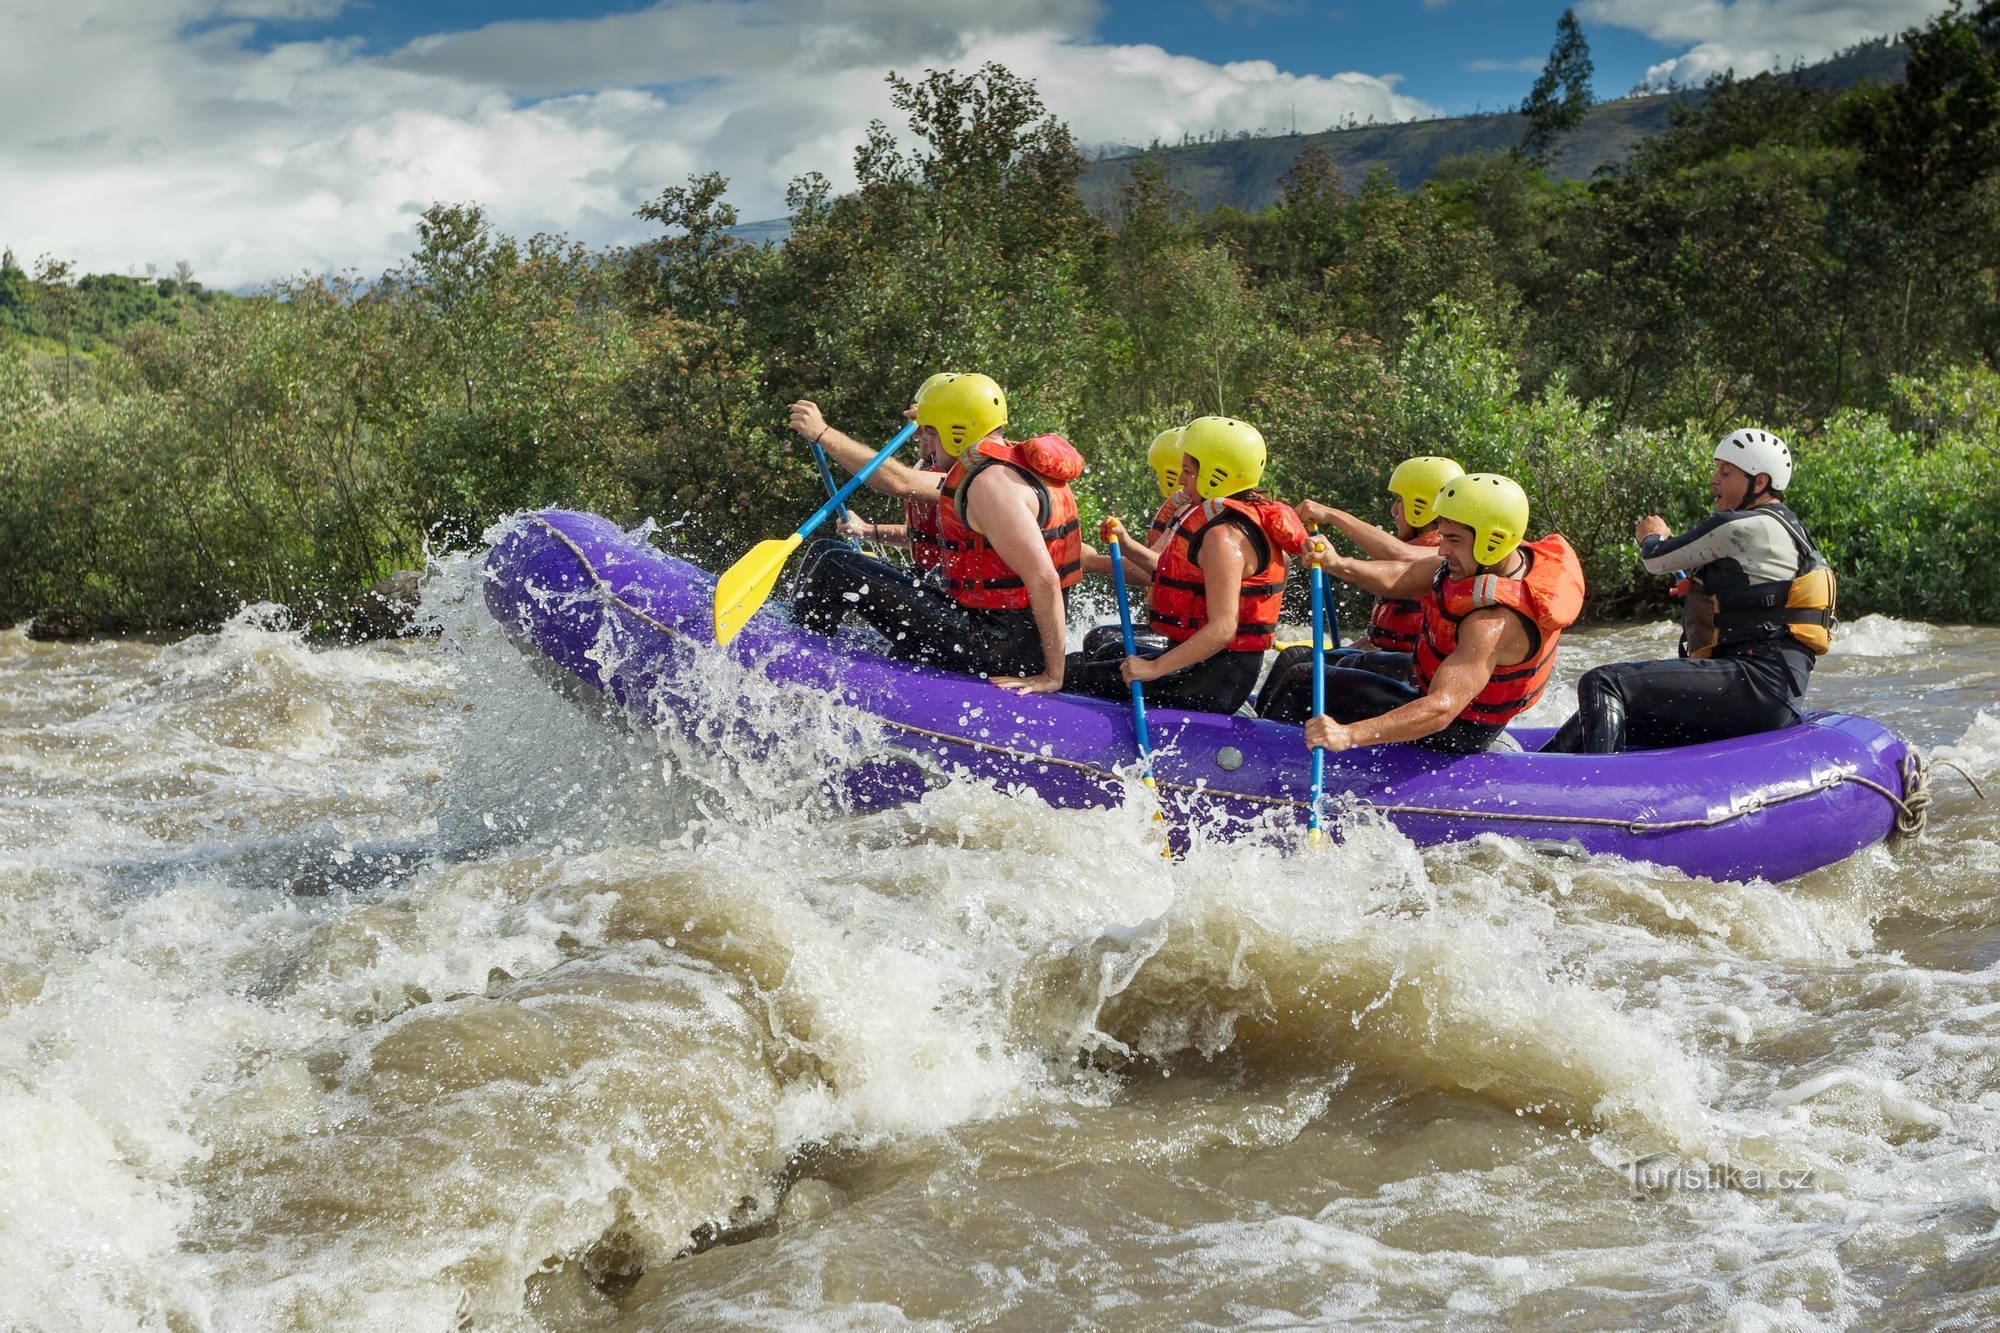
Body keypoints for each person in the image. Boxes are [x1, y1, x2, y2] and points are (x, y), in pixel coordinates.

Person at [1542, 428, 1834, 754]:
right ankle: (1536, 776)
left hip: (1754, 684)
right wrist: (1705, 588)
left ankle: (1596, 791)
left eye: (1726, 473)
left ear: (1760, 482)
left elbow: (1656, 559)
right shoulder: (1787, 527)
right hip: (1773, 696)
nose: (1714, 480)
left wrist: (1653, 535)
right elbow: (1764, 597)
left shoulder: (1741, 525)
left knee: (1601, 683)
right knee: (1600, 716)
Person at [788, 373, 1084, 694]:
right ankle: (797, 637)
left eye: (929, 433)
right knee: (826, 550)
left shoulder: (991, 485)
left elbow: (1044, 578)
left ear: (957, 433)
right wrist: (934, 413)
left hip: (998, 647)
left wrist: (1053, 675)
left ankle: (791, 669)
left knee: (836, 565)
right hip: (988, 627)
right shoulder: (991, 467)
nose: (924, 443)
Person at [1262, 473, 1585, 755]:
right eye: (1443, 537)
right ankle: (1266, 729)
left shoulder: (1492, 623)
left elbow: (1440, 710)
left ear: (1493, 539)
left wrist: (1348, 735)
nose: (1442, 549)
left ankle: (1266, 759)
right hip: (1429, 681)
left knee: (1301, 679)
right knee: (1318, 661)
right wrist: (1338, 564)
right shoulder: (1485, 562)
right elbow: (1403, 577)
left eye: (1454, 540)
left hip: (1455, 731)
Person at [1064, 417, 1308, 715]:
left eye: (1189, 471)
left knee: (1070, 675)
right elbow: (1174, 575)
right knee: (1106, 651)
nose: (1181, 480)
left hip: (1211, 682)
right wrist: (1126, 545)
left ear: (1217, 476)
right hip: (1202, 666)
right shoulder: (1221, 524)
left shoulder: (1224, 538)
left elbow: (1223, 629)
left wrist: (1154, 668)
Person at [1262, 454, 1466, 700]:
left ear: (1419, 505)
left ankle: (1277, 731)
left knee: (1304, 675)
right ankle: (1260, 722)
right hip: (1389, 658)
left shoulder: (1449, 554)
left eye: (1399, 500)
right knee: (1292, 657)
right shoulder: (1427, 547)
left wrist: (1333, 516)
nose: (1394, 510)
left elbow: (1399, 555)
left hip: (1413, 675)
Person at [1074, 426, 1189, 660]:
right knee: (1099, 643)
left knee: (1100, 642)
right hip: (1182, 633)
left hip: (1187, 640)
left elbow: (1148, 571)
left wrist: (1090, 561)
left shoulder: (1192, 511)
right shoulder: (1199, 510)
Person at [831, 372, 955, 578]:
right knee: (828, 549)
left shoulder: (957, 471)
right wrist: (866, 530)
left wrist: (823, 434)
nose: (918, 431)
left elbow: (896, 481)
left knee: (834, 562)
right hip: (927, 578)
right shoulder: (924, 464)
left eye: (928, 427)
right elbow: (921, 537)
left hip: (950, 593)